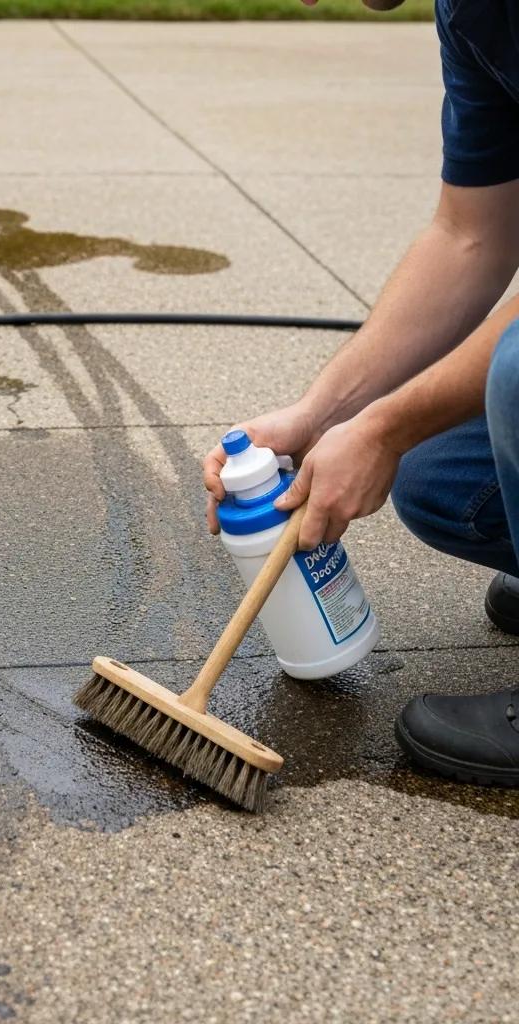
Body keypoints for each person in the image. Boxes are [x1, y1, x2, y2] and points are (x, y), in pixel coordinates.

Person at [203, 0, 519, 786]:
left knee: (512, 378)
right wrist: (325, 416)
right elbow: (471, 234)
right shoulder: (474, 11)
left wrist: (381, 429)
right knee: (444, 480)